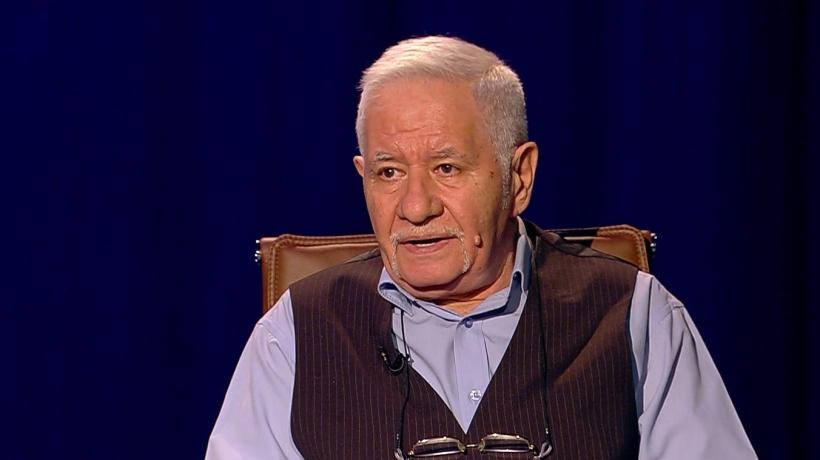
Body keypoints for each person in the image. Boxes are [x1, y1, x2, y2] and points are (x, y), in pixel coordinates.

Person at [206, 36, 756, 459]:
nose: (415, 207)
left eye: (446, 168)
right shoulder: (292, 335)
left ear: (519, 177)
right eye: (388, 172)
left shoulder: (636, 315)